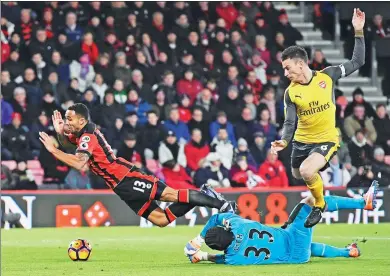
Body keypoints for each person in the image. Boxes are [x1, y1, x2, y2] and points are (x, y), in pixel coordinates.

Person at [38, 105, 236, 227]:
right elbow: (68, 145)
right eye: (65, 118)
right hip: (119, 186)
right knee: (161, 220)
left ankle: (220, 204)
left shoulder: (88, 136)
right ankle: (200, 195)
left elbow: (80, 162)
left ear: (82, 120)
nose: (66, 122)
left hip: (126, 177)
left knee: (170, 195)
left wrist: (53, 150)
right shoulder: (80, 135)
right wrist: (60, 133)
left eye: (69, 119)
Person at [271, 9, 366, 228]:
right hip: (301, 142)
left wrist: (358, 30)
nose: (285, 73)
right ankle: (318, 189)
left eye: (287, 68)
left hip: (326, 139)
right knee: (297, 173)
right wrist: (285, 141)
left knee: (306, 171)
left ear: (300, 64)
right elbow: (289, 122)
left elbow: (358, 61)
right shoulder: (291, 93)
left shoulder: (327, 75)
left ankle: (319, 205)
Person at [184, 181, 379, 265]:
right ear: (224, 229)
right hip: (290, 239)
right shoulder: (237, 225)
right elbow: (216, 218)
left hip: (295, 257)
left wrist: (202, 257)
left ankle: (348, 252)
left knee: (309, 247)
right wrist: (198, 240)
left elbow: (220, 260)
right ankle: (363, 202)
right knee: (311, 201)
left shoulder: (232, 259)